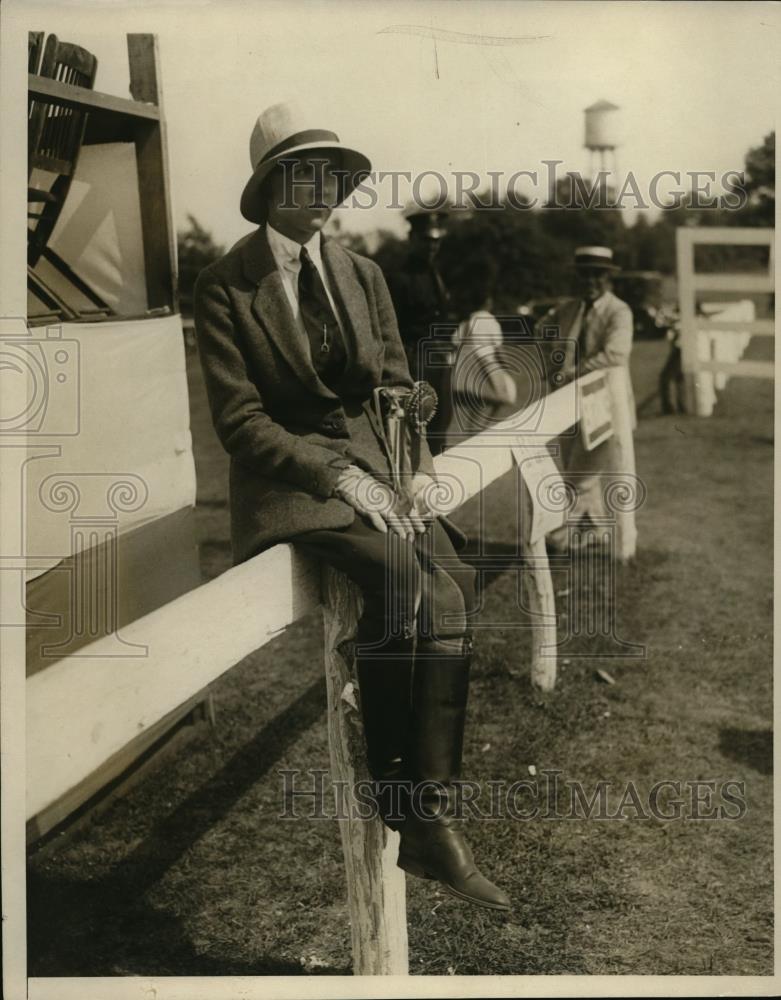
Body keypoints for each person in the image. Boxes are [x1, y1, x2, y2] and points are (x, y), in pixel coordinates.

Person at [193, 101, 509, 911]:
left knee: (457, 583)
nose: (326, 189)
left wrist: (413, 447)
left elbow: (395, 382)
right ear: (268, 188)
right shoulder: (226, 285)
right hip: (297, 490)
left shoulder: (360, 274)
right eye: (308, 174)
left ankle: (406, 807)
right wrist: (341, 481)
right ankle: (426, 823)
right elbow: (240, 423)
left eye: (334, 176)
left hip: (379, 474)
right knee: (418, 589)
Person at [539, 246, 635, 552]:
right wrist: (553, 362)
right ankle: (593, 532)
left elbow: (615, 354)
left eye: (597, 275)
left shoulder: (618, 311)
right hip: (567, 405)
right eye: (584, 274)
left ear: (608, 278)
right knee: (572, 466)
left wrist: (571, 373)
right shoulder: (568, 310)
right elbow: (541, 331)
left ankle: (558, 538)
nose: (590, 281)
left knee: (580, 474)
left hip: (604, 405)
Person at [386, 203, 455, 452]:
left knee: (441, 420)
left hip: (438, 359)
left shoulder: (436, 273)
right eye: (426, 240)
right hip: (413, 360)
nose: (432, 246)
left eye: (436, 241)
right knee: (415, 424)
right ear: (412, 238)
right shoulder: (399, 277)